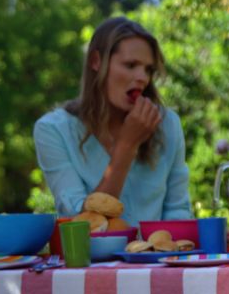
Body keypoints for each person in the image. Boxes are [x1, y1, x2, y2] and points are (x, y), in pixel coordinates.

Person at [34, 17, 192, 228]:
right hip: (92, 261)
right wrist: (127, 145)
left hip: (157, 259)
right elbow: (83, 227)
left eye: (148, 70)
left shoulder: (167, 124)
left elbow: (178, 213)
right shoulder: (53, 130)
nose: (142, 78)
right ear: (96, 62)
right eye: (130, 65)